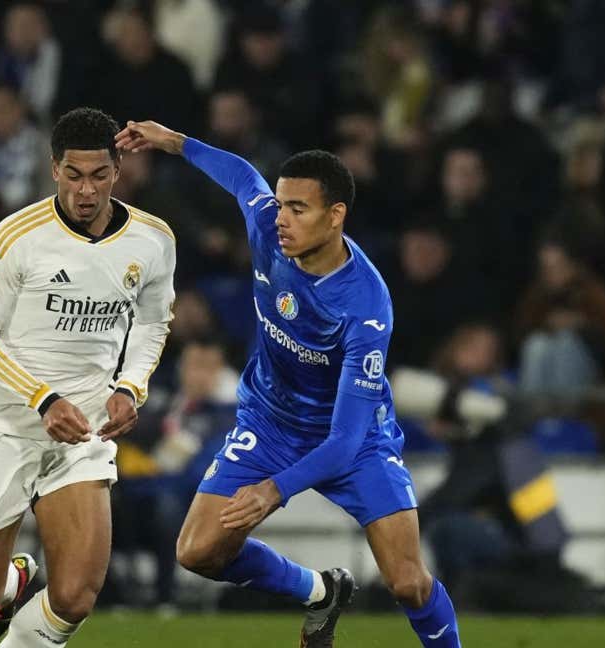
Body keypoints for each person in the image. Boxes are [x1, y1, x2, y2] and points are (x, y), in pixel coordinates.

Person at [116, 120, 461, 647]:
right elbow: (240, 175)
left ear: (335, 216)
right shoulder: (267, 228)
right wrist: (172, 142)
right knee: (197, 551)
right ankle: (320, 593)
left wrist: (272, 491)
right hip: (270, 422)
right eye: (280, 204)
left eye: (298, 209)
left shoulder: (364, 307)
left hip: (353, 437)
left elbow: (344, 441)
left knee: (409, 583)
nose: (281, 218)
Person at [0, 107, 176, 647]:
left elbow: (153, 321)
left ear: (118, 170)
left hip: (85, 430)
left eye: (99, 175)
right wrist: (43, 400)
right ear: (54, 170)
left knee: (75, 596)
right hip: (1, 422)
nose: (86, 190)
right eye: (74, 175)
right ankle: (15, 580)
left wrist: (130, 386)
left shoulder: (152, 240)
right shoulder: (15, 238)